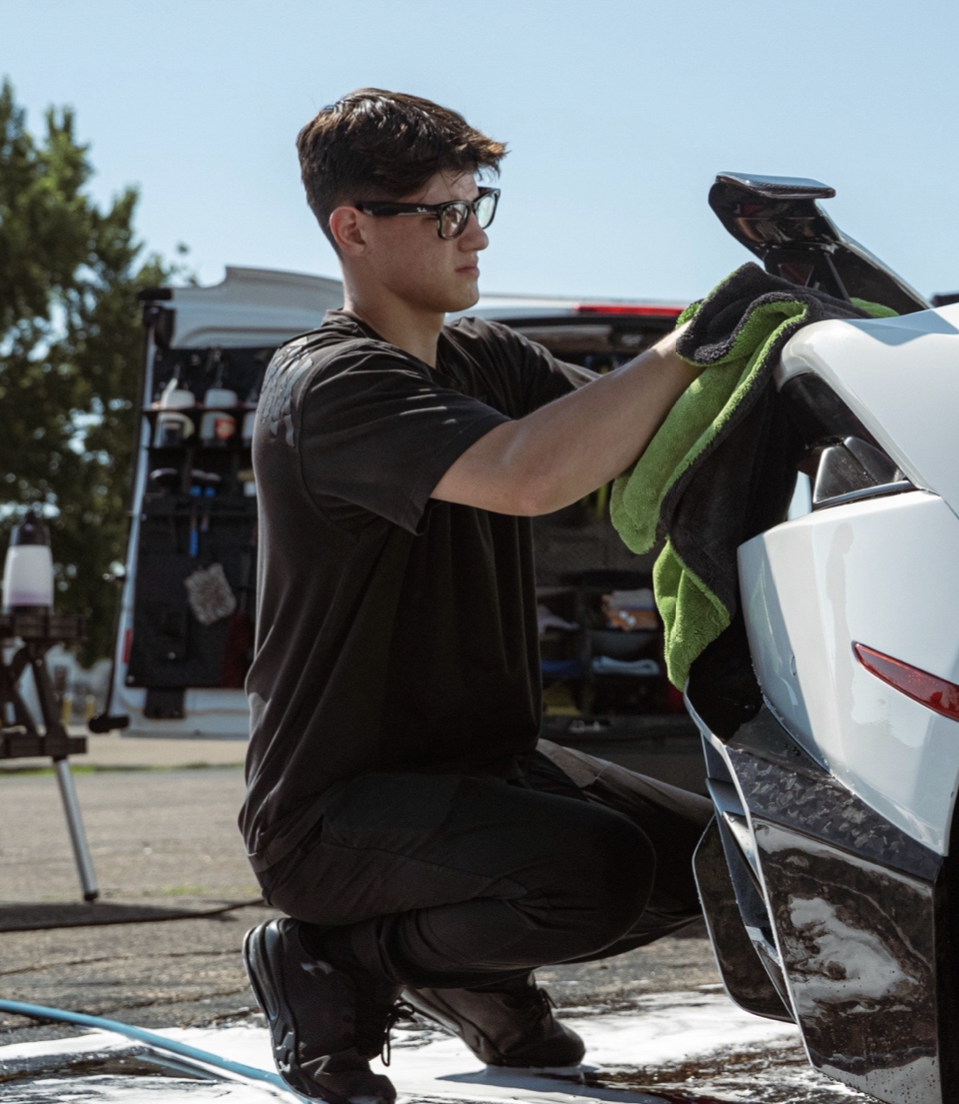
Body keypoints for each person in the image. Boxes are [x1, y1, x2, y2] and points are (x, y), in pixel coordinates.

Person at [237, 89, 713, 1104]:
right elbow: (529, 472)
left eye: (478, 202)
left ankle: (461, 963)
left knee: (725, 862)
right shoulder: (329, 385)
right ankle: (341, 965)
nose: (477, 233)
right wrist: (697, 340)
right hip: (333, 813)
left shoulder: (481, 356)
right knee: (593, 873)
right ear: (354, 229)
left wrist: (770, 344)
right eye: (445, 213)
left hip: (481, 774)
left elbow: (614, 447)